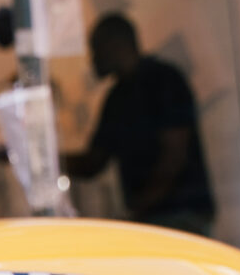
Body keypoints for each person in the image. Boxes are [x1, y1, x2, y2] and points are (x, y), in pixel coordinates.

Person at [67, 12, 216, 233]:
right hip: (150, 220)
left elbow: (174, 156)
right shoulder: (117, 97)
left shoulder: (165, 81)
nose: (93, 59)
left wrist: (137, 211)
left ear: (117, 44)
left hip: (182, 217)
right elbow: (94, 162)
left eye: (96, 48)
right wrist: (44, 160)